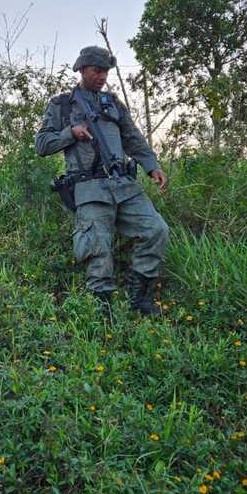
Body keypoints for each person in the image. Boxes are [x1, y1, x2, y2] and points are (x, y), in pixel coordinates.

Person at [35, 45, 170, 313]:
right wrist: (70, 133)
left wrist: (151, 165)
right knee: (98, 249)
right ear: (82, 69)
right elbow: (41, 144)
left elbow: (132, 138)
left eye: (106, 71)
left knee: (157, 230)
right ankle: (102, 313)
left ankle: (139, 297)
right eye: (97, 70)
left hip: (125, 186)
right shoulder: (61, 105)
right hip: (90, 188)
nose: (102, 76)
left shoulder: (113, 104)